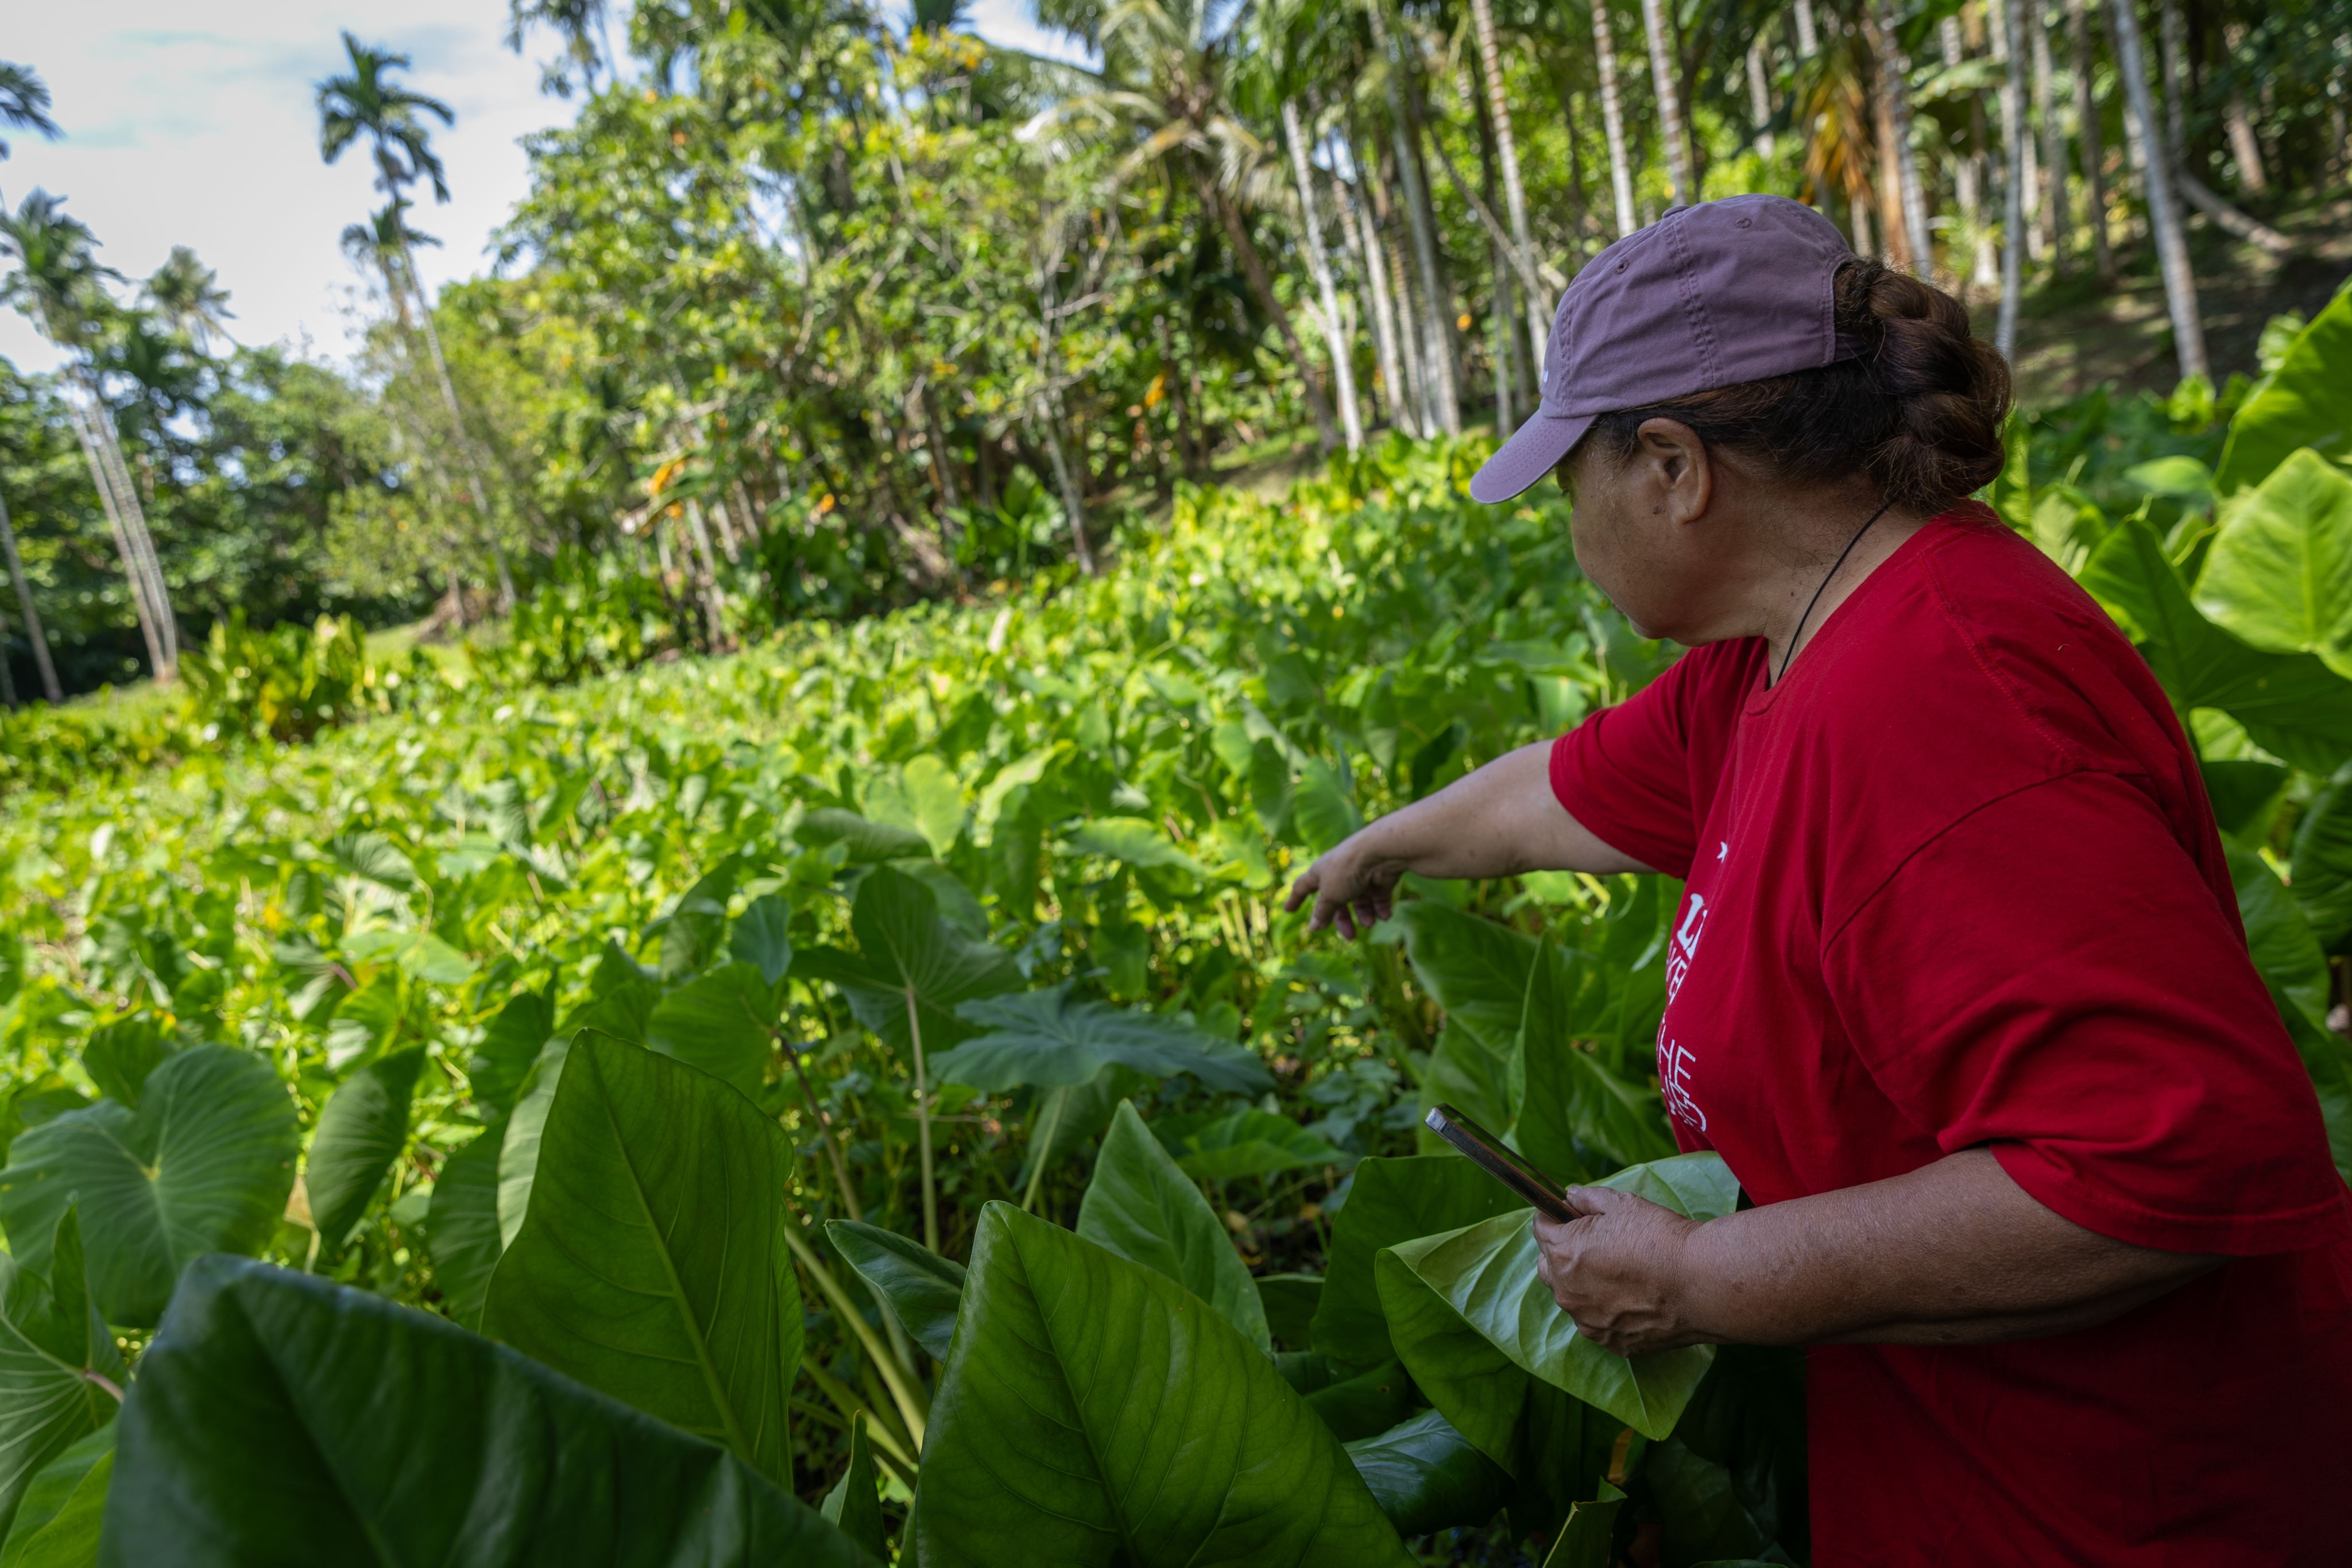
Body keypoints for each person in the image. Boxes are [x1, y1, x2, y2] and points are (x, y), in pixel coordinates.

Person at [1285, 194, 2352, 1566]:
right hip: (1954, 1470)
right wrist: (1379, 846)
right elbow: (1555, 789)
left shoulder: (1933, 702)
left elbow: (2160, 1163)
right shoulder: (1777, 656)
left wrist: (1692, 1280)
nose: (1565, 522)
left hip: (2117, 1504)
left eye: (1570, 480)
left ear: (1671, 466)